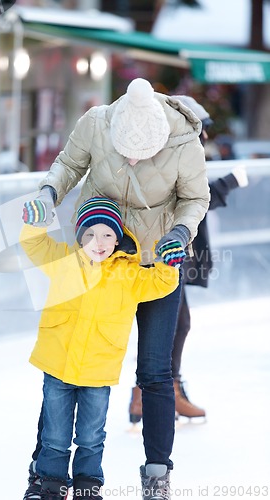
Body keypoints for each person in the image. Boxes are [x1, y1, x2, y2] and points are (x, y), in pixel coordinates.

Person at [23, 78, 210, 500]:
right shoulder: (96, 123)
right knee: (66, 364)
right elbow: (69, 165)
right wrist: (47, 194)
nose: (129, 158)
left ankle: (157, 472)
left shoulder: (185, 144)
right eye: (123, 149)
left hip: (158, 261)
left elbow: (195, 199)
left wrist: (180, 233)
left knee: (156, 372)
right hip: (98, 254)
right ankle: (43, 475)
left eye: (139, 154)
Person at [20, 196, 182, 500]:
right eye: (90, 234)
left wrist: (168, 260)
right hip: (58, 364)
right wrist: (34, 221)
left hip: (99, 369)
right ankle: (50, 484)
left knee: (91, 436)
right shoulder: (65, 261)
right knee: (55, 435)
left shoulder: (128, 273)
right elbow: (35, 246)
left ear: (118, 239)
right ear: (80, 236)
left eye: (108, 235)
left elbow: (161, 283)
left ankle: (87, 485)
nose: (99, 242)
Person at [128, 95, 249, 422]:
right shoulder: (171, 156)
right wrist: (230, 182)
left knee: (176, 323)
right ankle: (155, 392)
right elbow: (193, 200)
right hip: (158, 255)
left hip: (169, 254)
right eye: (202, 129)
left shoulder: (181, 155)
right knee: (172, 323)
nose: (206, 137)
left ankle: (152, 393)